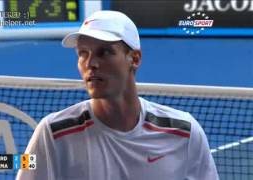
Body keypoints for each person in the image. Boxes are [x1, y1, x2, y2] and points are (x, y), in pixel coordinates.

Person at [16, 10, 219, 180]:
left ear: (135, 59)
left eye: (104, 52)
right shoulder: (53, 134)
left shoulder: (185, 133)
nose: (90, 63)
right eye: (82, 53)